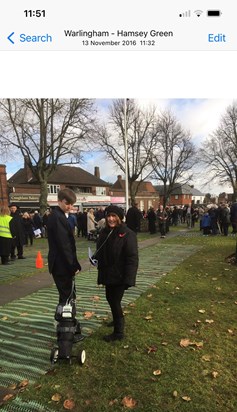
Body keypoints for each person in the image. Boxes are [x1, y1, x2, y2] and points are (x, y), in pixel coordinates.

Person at [94, 205, 138, 342]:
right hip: (108, 273)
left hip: (120, 275)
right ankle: (116, 319)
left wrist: (129, 278)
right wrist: (95, 257)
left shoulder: (127, 234)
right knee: (110, 298)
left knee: (114, 300)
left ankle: (119, 332)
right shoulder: (105, 232)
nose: (111, 219)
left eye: (114, 216)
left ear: (119, 218)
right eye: (109, 216)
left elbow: (132, 257)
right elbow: (101, 250)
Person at [47, 188, 83, 339]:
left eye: (71, 204)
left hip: (61, 264)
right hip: (62, 265)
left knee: (67, 297)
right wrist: (72, 265)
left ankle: (70, 326)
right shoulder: (57, 218)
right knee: (67, 299)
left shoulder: (60, 216)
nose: (69, 206)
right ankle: (66, 333)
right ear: (59, 201)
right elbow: (64, 246)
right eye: (67, 203)